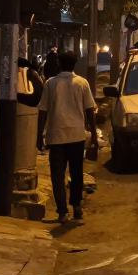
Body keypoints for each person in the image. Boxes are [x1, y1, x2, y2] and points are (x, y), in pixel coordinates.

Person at [37, 50, 98, 223]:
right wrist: (93, 134)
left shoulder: (50, 84)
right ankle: (77, 207)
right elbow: (90, 111)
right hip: (77, 135)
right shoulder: (82, 83)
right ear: (74, 64)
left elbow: (42, 111)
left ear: (59, 64)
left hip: (56, 136)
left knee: (57, 175)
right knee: (77, 173)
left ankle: (62, 212)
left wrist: (38, 135)